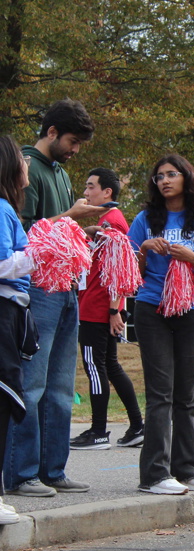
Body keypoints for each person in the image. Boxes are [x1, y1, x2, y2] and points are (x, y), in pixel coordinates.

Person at [5, 99, 104, 498]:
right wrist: (72, 217)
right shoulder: (26, 166)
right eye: (72, 141)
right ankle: (22, 473)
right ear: (51, 132)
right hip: (39, 289)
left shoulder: (60, 172)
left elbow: (59, 229)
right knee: (32, 385)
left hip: (66, 287)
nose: (75, 149)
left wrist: (85, 232)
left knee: (61, 387)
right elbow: (25, 233)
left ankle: (53, 469)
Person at [128, 154, 194, 494]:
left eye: (171, 174)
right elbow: (132, 276)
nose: (165, 181)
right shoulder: (144, 219)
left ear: (186, 178)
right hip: (151, 310)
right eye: (159, 176)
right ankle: (154, 475)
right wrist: (143, 249)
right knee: (160, 394)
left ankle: (187, 470)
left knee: (186, 395)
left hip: (193, 312)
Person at [71, 167, 144, 450]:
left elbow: (121, 271)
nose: (86, 192)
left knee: (95, 367)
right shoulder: (106, 221)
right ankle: (137, 426)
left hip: (97, 308)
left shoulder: (113, 222)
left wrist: (115, 310)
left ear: (107, 192)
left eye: (91, 186)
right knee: (110, 366)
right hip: (98, 305)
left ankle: (98, 431)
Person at [0, 136, 37, 523]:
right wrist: (39, 255)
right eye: (22, 160)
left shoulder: (6, 209)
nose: (27, 166)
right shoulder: (0, 209)